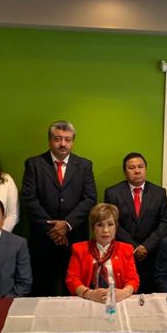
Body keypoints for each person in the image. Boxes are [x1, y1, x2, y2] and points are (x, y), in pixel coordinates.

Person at [21, 121, 97, 296]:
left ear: (73, 142)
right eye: (58, 139)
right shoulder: (34, 164)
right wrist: (54, 229)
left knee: (74, 293)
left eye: (67, 139)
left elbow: (90, 198)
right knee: (42, 292)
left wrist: (67, 225)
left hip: (74, 239)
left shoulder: (85, 165)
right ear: (49, 140)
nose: (63, 144)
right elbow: (29, 199)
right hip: (43, 241)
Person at [103, 152, 167, 294]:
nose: (137, 171)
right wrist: (134, 248)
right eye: (132, 167)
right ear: (125, 172)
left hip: (152, 255)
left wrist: (146, 247)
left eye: (140, 167)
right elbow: (112, 224)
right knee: (125, 294)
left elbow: (164, 224)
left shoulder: (159, 193)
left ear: (145, 169)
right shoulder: (112, 193)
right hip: (123, 253)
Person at [66, 203, 139, 303]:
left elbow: (133, 279)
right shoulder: (79, 249)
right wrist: (89, 293)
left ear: (116, 227)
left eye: (110, 224)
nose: (105, 230)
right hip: (88, 301)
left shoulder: (126, 249)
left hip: (117, 302)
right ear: (93, 228)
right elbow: (72, 279)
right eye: (100, 225)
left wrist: (123, 293)